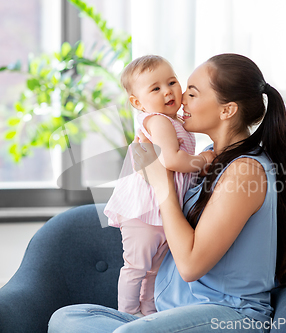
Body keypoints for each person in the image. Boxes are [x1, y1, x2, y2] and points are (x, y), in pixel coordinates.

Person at [48, 53, 286, 333]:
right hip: (173, 312)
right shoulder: (207, 158)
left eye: (193, 93)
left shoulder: (245, 172)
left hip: (228, 314)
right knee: (66, 318)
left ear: (227, 110)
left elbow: (189, 266)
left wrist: (162, 184)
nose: (181, 97)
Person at [103, 55, 216, 317]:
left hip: (165, 213)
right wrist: (203, 160)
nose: (168, 91)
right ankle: (127, 316)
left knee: (155, 269)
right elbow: (171, 159)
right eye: (155, 88)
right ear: (137, 102)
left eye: (172, 82)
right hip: (144, 211)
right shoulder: (158, 121)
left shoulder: (178, 122)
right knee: (136, 267)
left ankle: (148, 314)